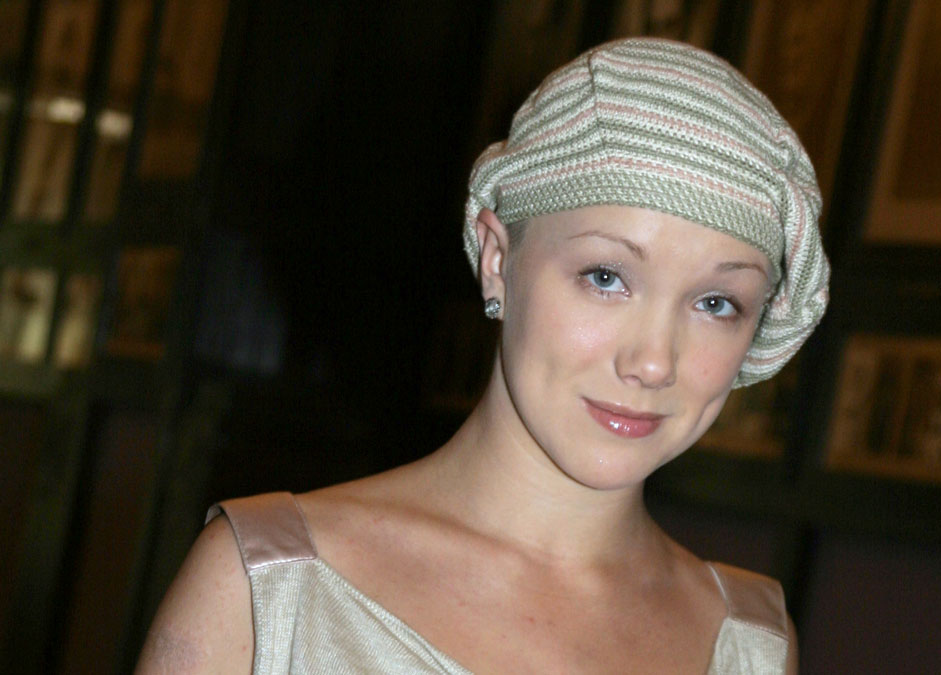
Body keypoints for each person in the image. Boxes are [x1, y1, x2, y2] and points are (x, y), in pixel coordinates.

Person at [136, 36, 829, 674]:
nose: (653, 363)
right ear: (498, 258)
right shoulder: (267, 589)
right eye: (605, 276)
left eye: (716, 303)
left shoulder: (751, 645)